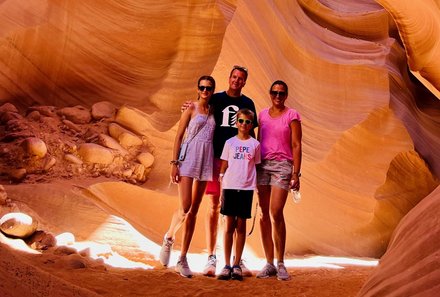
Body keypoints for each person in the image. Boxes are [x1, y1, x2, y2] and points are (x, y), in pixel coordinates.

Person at [182, 65, 257, 277]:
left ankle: (235, 259)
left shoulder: (247, 103)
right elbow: (200, 105)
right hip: (215, 159)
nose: (236, 80)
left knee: (234, 211)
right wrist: (187, 106)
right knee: (214, 205)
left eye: (241, 78)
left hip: (238, 162)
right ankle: (211, 257)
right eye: (234, 76)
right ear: (229, 78)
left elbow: (253, 134)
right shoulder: (217, 99)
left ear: (244, 82)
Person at [159, 75, 216, 278]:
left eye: (209, 88)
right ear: (197, 88)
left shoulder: (214, 109)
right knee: (185, 207)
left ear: (212, 90)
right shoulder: (191, 108)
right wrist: (174, 164)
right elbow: (179, 135)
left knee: (194, 209)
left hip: (205, 160)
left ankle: (182, 259)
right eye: (202, 87)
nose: (205, 91)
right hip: (188, 159)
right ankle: (169, 236)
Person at [255, 80, 302, 281]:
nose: (278, 96)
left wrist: (295, 173)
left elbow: (296, 144)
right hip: (262, 165)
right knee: (263, 214)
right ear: (270, 93)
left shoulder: (292, 116)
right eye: (274, 92)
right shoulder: (263, 115)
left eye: (281, 93)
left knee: (275, 211)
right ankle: (269, 263)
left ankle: (281, 262)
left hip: (283, 165)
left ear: (286, 95)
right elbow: (257, 141)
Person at [216, 109, 261, 281]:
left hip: (246, 189)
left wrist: (255, 188)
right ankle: (226, 265)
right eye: (241, 121)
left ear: (251, 125)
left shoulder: (255, 145)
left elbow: (255, 166)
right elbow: (223, 167)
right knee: (229, 226)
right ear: (236, 123)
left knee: (241, 226)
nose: (244, 125)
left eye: (248, 122)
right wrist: (222, 189)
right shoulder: (230, 143)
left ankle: (237, 264)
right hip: (230, 186)